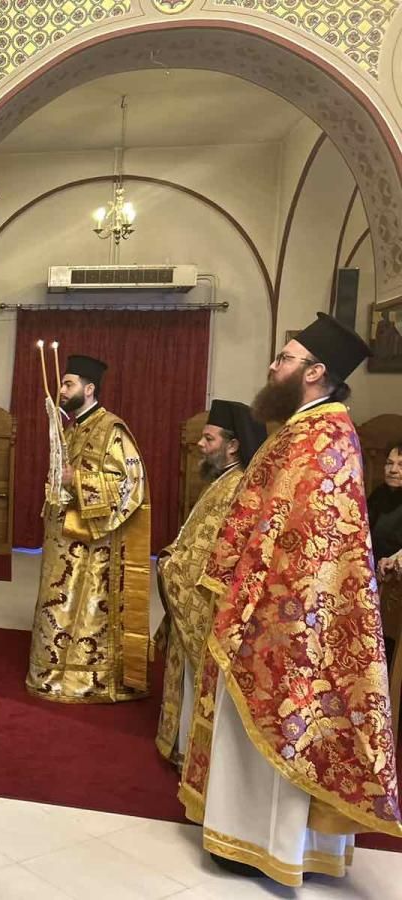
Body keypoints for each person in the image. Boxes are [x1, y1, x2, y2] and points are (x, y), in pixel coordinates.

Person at [179, 313, 402, 883]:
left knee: (281, 723)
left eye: (284, 358)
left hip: (289, 615)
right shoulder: (303, 427)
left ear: (315, 371)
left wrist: (251, 589)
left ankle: (263, 844)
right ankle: (242, 835)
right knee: (249, 724)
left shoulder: (324, 436)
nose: (272, 366)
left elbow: (307, 536)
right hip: (267, 599)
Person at [26, 353, 150, 703]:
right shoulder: (72, 427)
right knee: (56, 607)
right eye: (62, 384)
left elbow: (132, 483)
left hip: (90, 548)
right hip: (61, 539)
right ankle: (51, 670)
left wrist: (77, 479)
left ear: (90, 388)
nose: (62, 391)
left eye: (68, 384)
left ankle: (81, 678)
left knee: (80, 611)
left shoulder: (112, 429)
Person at [154, 400, 265, 766]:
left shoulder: (235, 486)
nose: (200, 445)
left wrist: (171, 567)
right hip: (196, 590)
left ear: (232, 445)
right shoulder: (224, 480)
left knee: (198, 679)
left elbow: (211, 554)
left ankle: (190, 752)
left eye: (209, 438)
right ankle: (182, 746)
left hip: (206, 599)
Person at [370, 443, 402, 655]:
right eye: (389, 463)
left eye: (401, 465)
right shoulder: (378, 494)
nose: (393, 470)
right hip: (372, 575)